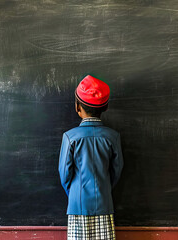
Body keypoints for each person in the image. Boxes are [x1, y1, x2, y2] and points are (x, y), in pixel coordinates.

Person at [58, 75, 124, 240]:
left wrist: (75, 192)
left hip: (77, 205)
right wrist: (104, 189)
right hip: (104, 202)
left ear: (77, 107)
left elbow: (64, 174)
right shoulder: (112, 137)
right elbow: (117, 171)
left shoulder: (70, 137)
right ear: (105, 107)